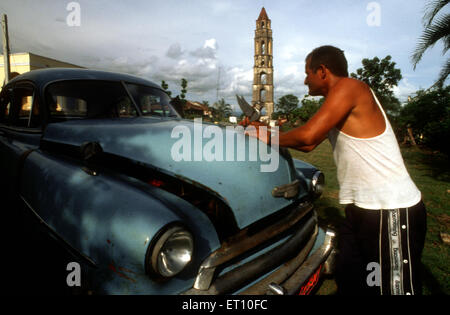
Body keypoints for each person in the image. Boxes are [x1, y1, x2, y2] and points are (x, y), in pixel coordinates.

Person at [249, 45, 427, 295]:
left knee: (393, 288)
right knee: (350, 275)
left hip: (390, 208)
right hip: (361, 209)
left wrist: (264, 135)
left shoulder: (350, 87)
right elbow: (309, 142)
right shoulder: (336, 100)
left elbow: (307, 136)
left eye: (307, 73)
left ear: (322, 71)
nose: (304, 79)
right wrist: (264, 131)